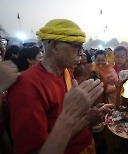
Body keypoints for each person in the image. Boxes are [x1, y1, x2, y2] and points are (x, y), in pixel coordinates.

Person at [6, 19, 104, 154]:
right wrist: (86, 120)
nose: (81, 53)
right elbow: (37, 150)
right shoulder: (27, 87)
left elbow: (71, 111)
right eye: (76, 46)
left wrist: (88, 112)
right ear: (54, 46)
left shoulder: (66, 71)